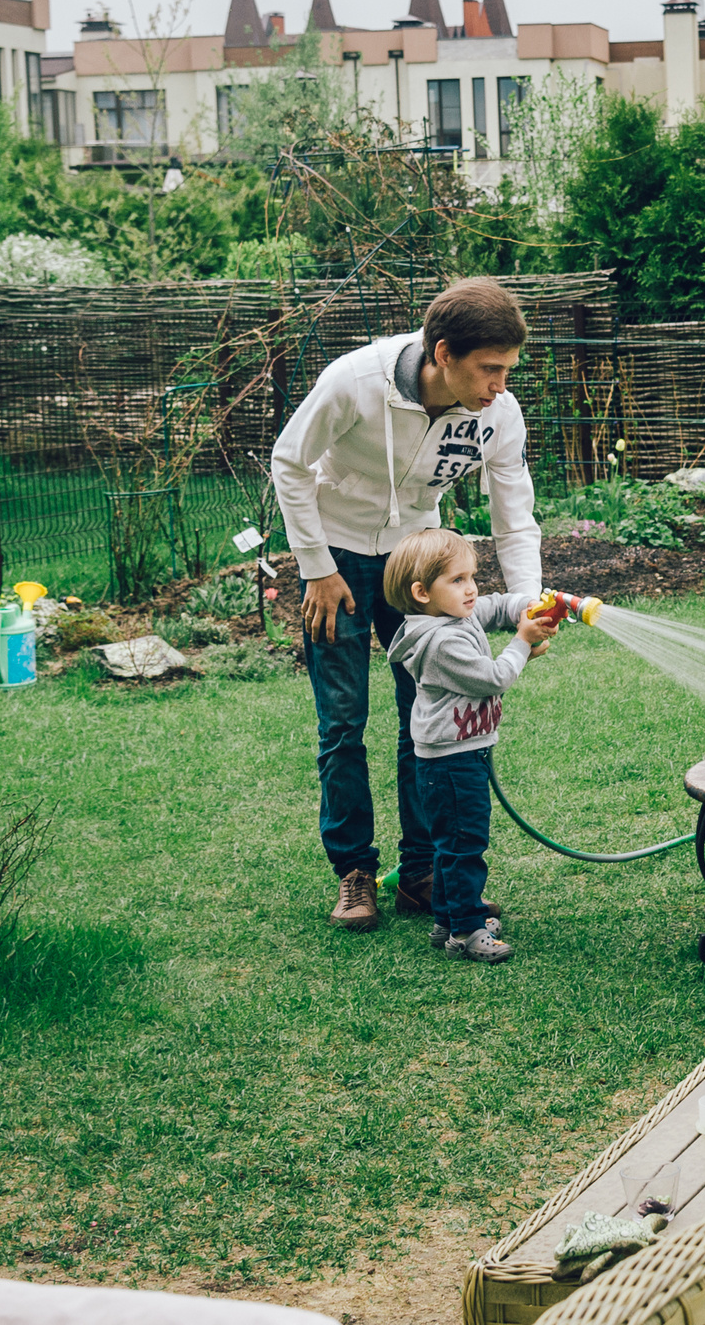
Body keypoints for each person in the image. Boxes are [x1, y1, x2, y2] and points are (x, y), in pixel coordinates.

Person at [270, 277, 543, 931]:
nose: (500, 385)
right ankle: (355, 873)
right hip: (335, 557)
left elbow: (514, 515)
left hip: (416, 561)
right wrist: (316, 569)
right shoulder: (354, 381)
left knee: (428, 715)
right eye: (490, 369)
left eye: (508, 369)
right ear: (444, 354)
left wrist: (529, 602)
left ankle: (422, 871)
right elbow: (290, 462)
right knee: (343, 722)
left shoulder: (498, 413)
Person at [383, 529, 562, 963]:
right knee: (464, 844)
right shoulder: (442, 641)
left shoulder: (450, 614)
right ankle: (466, 929)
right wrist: (522, 643)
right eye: (458, 580)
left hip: (455, 755)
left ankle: (448, 919)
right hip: (451, 761)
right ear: (422, 592)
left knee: (451, 842)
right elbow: (494, 678)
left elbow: (496, 605)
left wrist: (527, 606)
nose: (471, 589)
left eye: (472, 577)